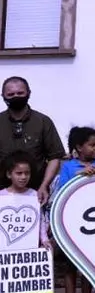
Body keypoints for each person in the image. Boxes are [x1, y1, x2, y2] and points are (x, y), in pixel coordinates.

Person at [56, 127, 95, 293]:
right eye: (92, 145)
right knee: (70, 265)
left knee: (88, 265)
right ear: (79, 147)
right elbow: (62, 190)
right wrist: (81, 173)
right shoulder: (69, 167)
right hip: (73, 223)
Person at [0, 76, 65, 205]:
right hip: (2, 191)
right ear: (3, 96)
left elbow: (54, 157)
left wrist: (44, 185)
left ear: (29, 93)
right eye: (11, 94)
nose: (16, 96)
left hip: (36, 192)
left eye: (20, 93)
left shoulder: (43, 121)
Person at [1, 151, 51, 251]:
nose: (23, 177)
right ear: (9, 174)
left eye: (27, 173)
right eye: (19, 173)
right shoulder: (1, 196)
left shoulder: (34, 195)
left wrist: (44, 239)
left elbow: (39, 219)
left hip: (29, 247)